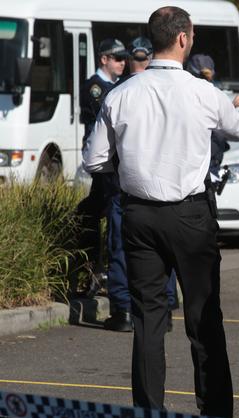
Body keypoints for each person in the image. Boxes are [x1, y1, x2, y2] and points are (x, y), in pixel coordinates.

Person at [82, 6, 239, 418]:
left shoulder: (121, 93)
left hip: (139, 212)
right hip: (190, 214)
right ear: (183, 39)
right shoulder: (202, 91)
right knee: (203, 315)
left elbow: (93, 159)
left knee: (148, 321)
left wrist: (126, 168)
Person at [102, 36, 179, 332]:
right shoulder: (178, 91)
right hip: (168, 188)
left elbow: (96, 155)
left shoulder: (120, 93)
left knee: (122, 249)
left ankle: (123, 310)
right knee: (166, 253)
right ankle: (165, 309)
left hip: (128, 187)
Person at [74, 39, 127, 295]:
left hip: (112, 163)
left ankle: (100, 271)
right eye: (117, 58)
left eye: (124, 58)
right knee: (100, 215)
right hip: (101, 164)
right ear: (103, 59)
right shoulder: (96, 87)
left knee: (105, 215)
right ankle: (96, 271)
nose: (122, 63)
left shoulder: (117, 87)